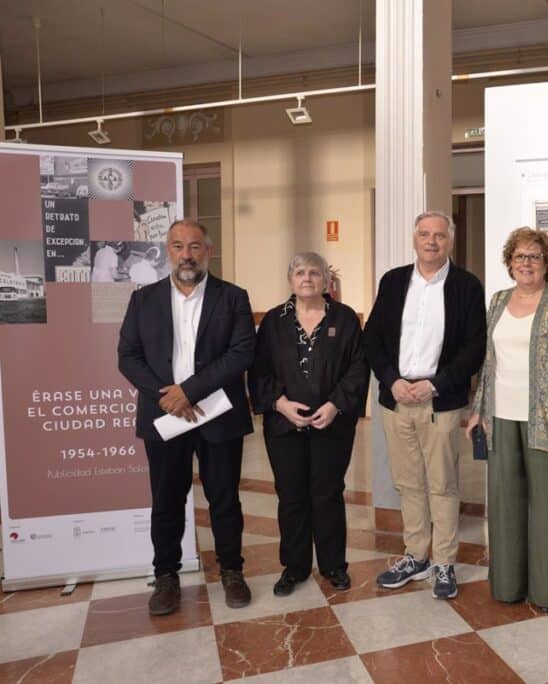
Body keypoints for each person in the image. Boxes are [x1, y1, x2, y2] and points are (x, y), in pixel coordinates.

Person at [117, 219, 256, 616]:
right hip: (165, 419)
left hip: (219, 417)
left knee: (225, 499)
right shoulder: (144, 300)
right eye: (178, 246)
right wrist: (170, 398)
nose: (187, 254)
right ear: (168, 251)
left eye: (195, 246)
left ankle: (231, 571)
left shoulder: (233, 298)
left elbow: (242, 353)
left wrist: (189, 392)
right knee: (166, 502)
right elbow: (128, 356)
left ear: (208, 251)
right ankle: (166, 577)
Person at [466, 227, 548, 610]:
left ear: (547, 264)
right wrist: (479, 410)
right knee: (505, 506)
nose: (525, 263)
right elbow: (489, 362)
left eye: (534, 257)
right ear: (509, 263)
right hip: (501, 418)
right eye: (519, 256)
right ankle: (508, 586)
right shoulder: (498, 301)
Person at [363, 211, 486, 600]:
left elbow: (474, 347)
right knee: (408, 482)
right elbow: (373, 338)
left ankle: (444, 562)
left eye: (439, 236)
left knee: (443, 485)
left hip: (441, 402)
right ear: (414, 239)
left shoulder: (466, 286)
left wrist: (436, 384)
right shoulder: (394, 281)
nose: (431, 241)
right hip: (396, 398)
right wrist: (391, 379)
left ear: (449, 241)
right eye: (424, 235)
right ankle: (416, 555)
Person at [248, 252, 369, 597]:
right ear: (290, 279)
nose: (306, 278)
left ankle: (333, 565)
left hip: (332, 424)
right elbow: (259, 370)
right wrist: (280, 404)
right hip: (284, 425)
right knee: (291, 495)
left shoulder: (345, 319)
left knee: (327, 494)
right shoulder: (273, 321)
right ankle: (295, 567)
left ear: (326, 280)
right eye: (300, 272)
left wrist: (334, 406)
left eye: (314, 272)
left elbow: (358, 368)